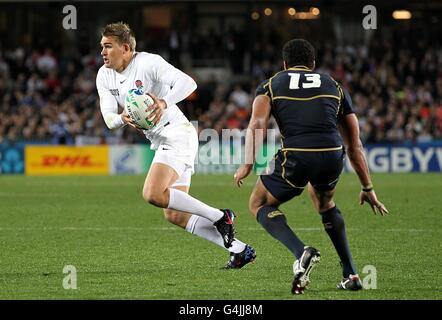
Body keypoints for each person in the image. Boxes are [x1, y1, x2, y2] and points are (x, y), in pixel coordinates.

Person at [96, 22, 256, 269]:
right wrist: (122, 118)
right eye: (102, 47)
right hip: (161, 140)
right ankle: (240, 249)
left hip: (177, 135)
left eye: (108, 46)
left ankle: (220, 216)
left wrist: (163, 102)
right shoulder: (104, 75)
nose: (103, 52)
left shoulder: (148, 62)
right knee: (174, 214)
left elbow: (188, 83)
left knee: (152, 193)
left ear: (125, 47)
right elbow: (108, 118)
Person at [234, 39, 388, 293]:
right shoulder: (335, 87)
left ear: (284, 64)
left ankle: (301, 252)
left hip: (298, 155)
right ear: (312, 64)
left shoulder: (271, 84)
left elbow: (257, 124)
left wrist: (247, 163)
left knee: (259, 204)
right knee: (324, 202)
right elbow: (355, 145)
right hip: (331, 155)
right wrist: (367, 186)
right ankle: (351, 275)